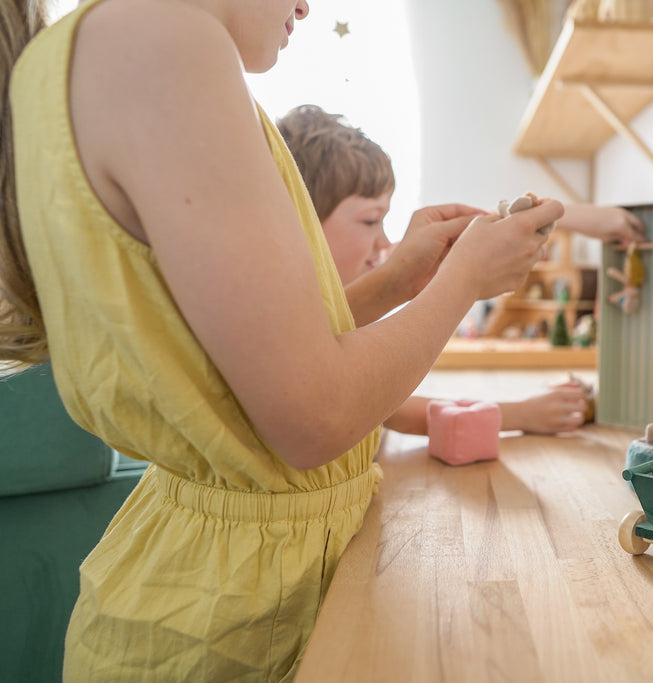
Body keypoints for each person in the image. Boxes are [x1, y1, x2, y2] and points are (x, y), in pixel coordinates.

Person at [0, 1, 562, 680]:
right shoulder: (164, 43)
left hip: (205, 590)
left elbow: (235, 371)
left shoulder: (81, 55)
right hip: (229, 619)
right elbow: (315, 414)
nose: (306, 4)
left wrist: (400, 282)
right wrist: (463, 281)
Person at [277, 104, 600, 435]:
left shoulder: (330, 316)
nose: (385, 241)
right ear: (302, 221)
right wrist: (518, 415)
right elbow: (380, 406)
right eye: (371, 220)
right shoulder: (280, 324)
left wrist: (520, 414)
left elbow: (389, 406)